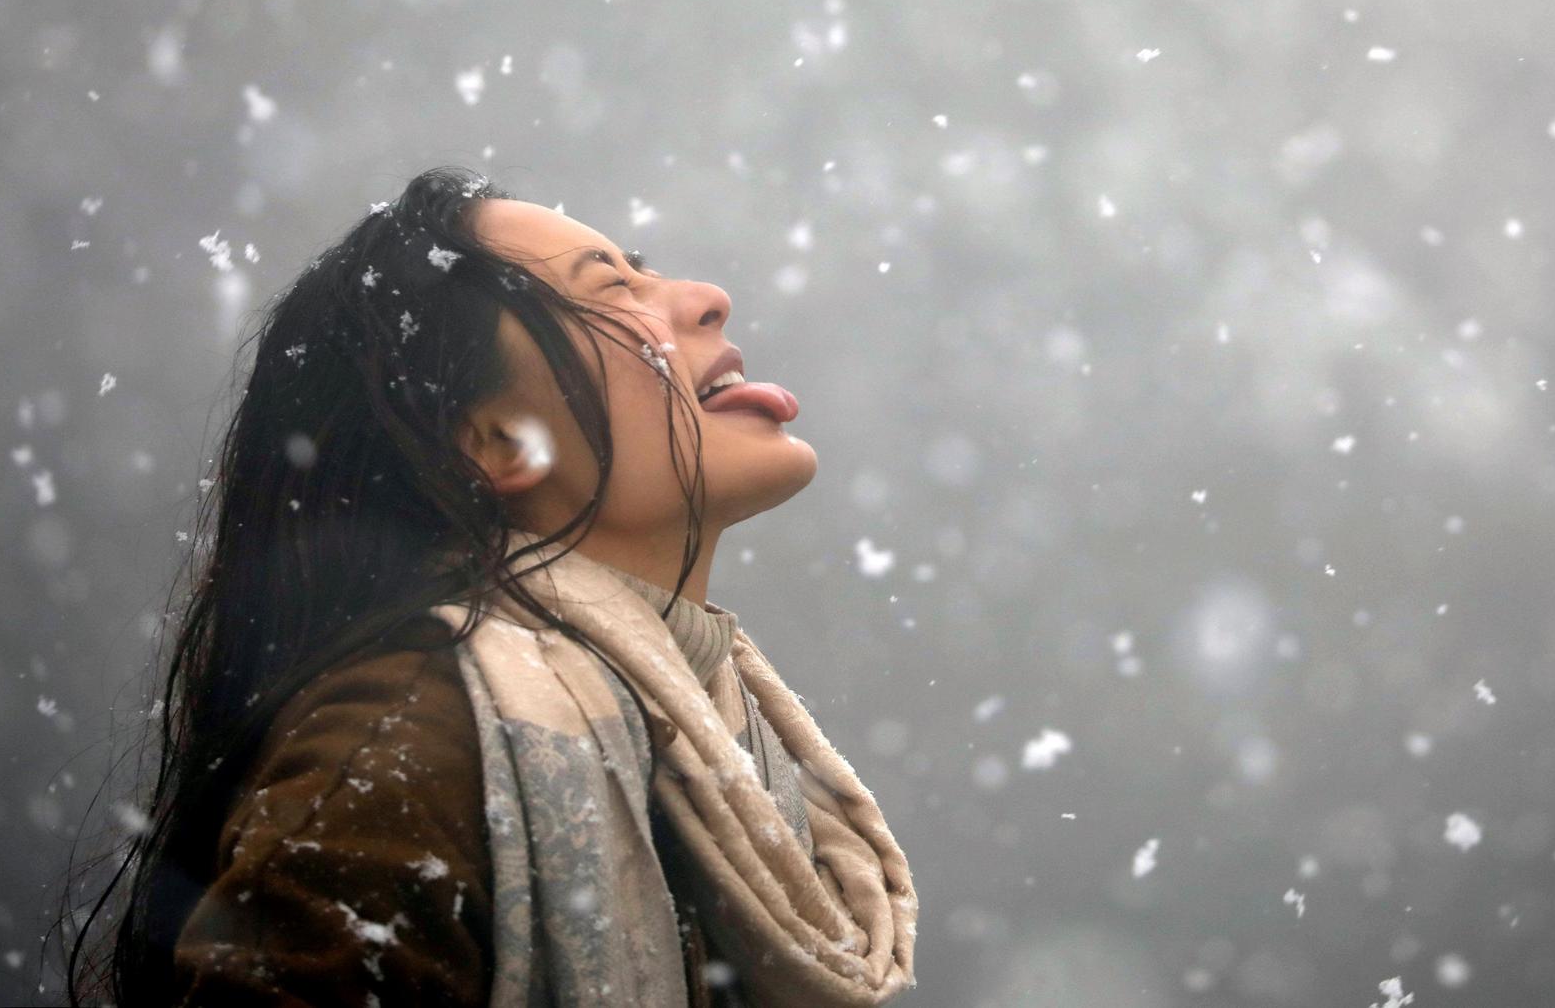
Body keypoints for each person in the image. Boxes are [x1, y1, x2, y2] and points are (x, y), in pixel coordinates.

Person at [57, 165, 918, 1006]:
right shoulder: (415, 730)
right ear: (500, 441)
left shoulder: (717, 734)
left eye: (645, 272)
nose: (705, 298)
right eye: (611, 290)